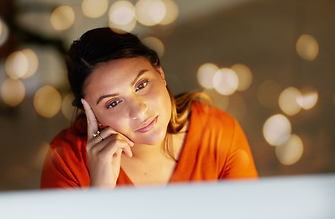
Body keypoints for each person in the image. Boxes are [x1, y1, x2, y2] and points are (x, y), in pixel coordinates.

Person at [40, 27, 258, 189]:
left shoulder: (218, 133)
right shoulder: (66, 160)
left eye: (141, 85)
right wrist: (101, 190)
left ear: (160, 72)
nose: (139, 111)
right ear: (90, 113)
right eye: (113, 103)